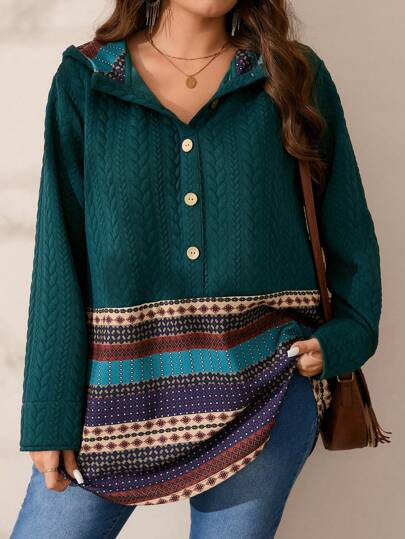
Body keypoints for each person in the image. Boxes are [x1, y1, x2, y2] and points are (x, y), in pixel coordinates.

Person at [11, 0, 382, 537]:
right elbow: (58, 254)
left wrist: (349, 335)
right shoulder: (87, 79)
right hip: (115, 393)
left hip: (265, 382)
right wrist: (48, 416)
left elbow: (349, 231)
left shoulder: (291, 74)